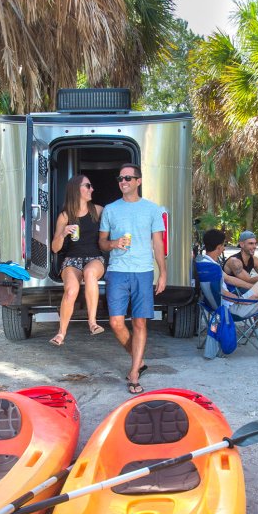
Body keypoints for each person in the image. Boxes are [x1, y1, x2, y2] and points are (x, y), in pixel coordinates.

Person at [99, 164, 166, 394]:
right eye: (120, 178)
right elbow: (102, 243)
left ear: (138, 181)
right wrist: (113, 244)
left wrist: (163, 272)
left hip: (143, 271)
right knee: (116, 322)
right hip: (117, 270)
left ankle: (134, 373)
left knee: (139, 322)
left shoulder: (152, 210)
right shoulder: (110, 209)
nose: (123, 181)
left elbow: (158, 243)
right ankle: (139, 359)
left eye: (128, 178)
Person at [48, 174, 105, 346]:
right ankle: (61, 333)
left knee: (89, 273)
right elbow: (55, 248)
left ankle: (92, 323)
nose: (92, 189)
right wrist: (63, 233)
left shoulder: (98, 210)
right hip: (72, 259)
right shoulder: (65, 216)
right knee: (71, 290)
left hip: (94, 258)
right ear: (76, 189)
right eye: (88, 186)